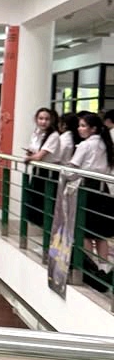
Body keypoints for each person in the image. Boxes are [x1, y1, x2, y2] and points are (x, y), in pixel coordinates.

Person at [72, 111, 114, 274]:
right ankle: (104, 267)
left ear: (93, 128)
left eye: (83, 126)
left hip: (87, 188)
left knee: (85, 232)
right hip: (104, 189)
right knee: (100, 233)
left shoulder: (86, 145)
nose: (79, 129)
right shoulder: (106, 144)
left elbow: (73, 167)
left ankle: (90, 268)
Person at [23, 106, 61, 228]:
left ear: (51, 120)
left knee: (46, 204)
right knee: (36, 202)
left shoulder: (54, 135)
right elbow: (35, 152)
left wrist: (30, 158)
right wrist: (31, 155)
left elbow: (40, 156)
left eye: (46, 119)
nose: (43, 122)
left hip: (49, 173)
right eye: (41, 118)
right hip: (38, 171)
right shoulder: (37, 133)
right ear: (36, 119)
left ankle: (47, 234)